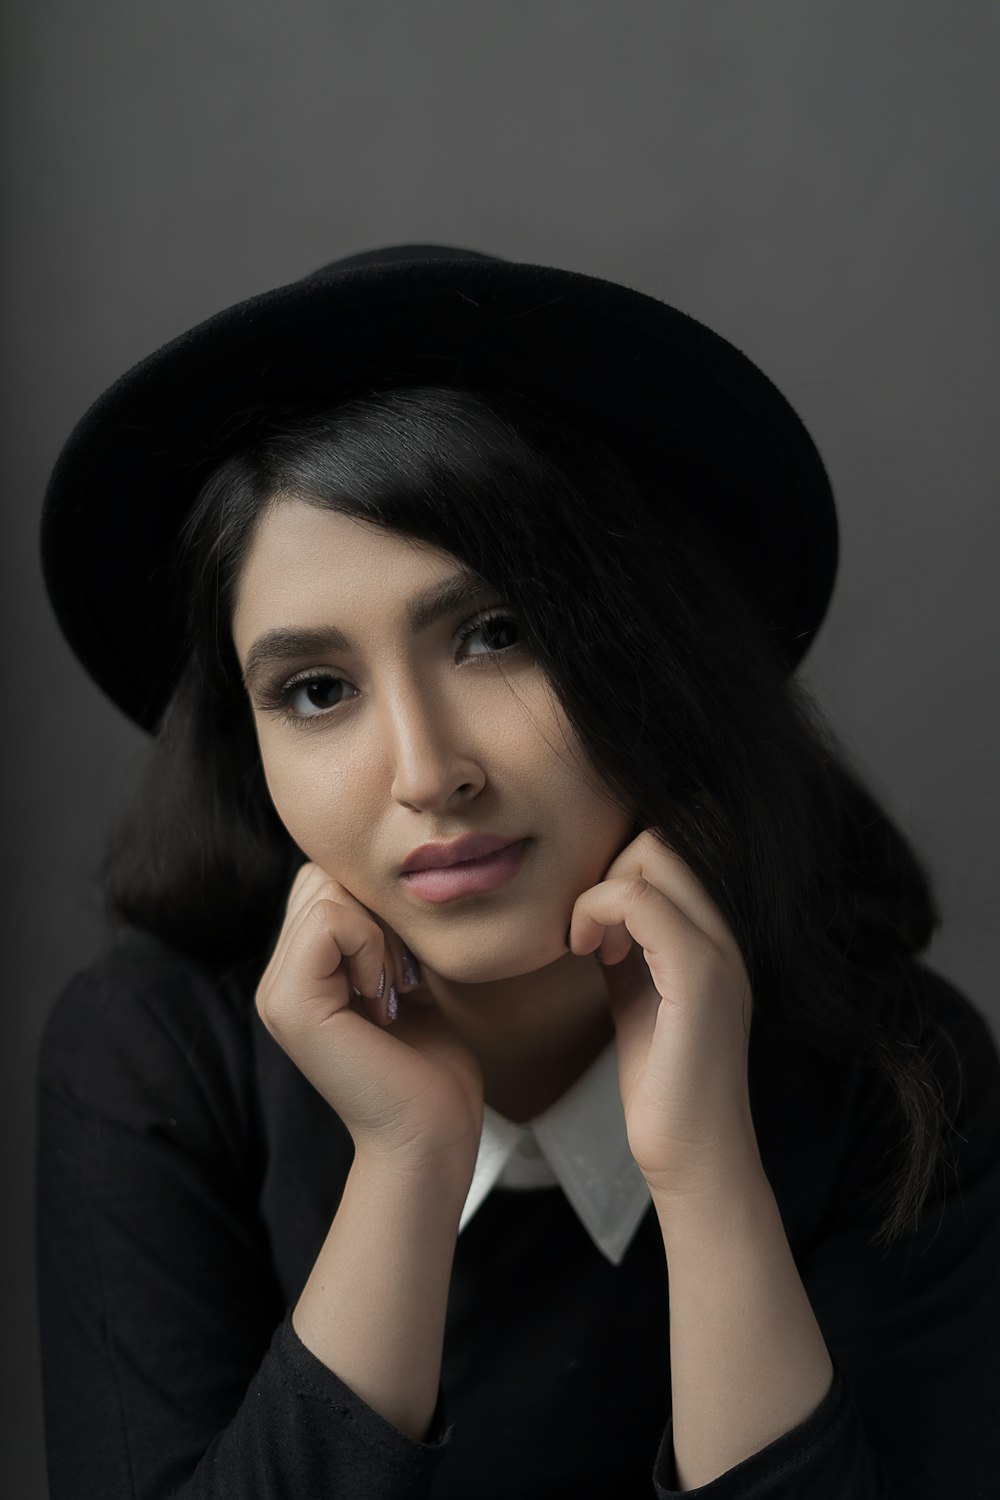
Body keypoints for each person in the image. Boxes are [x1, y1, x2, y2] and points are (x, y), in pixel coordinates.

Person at [35, 242, 1000, 1499]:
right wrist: (406, 1166)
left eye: (498, 635)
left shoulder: (898, 1072)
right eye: (316, 690)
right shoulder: (154, 1058)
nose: (427, 771)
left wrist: (708, 1178)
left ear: (653, 654)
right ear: (251, 744)